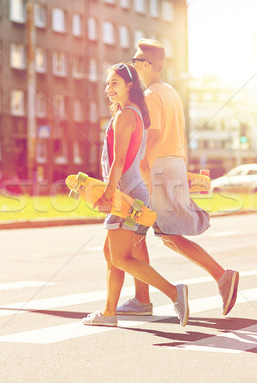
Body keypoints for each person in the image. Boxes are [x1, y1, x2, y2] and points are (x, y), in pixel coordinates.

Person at [117, 39, 240, 317]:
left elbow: (156, 137)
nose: (133, 64)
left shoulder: (151, 95)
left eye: (136, 60)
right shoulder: (171, 92)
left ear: (147, 65)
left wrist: (144, 175)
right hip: (173, 164)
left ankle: (145, 298)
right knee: (156, 233)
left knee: (151, 231)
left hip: (159, 167)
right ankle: (145, 297)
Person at [81, 63, 189, 327]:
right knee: (111, 254)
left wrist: (108, 195)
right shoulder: (135, 113)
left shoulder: (125, 116)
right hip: (133, 193)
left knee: (119, 257)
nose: (109, 89)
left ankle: (174, 293)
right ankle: (109, 312)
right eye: (107, 84)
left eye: (115, 83)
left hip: (125, 196)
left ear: (130, 85)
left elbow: (118, 163)